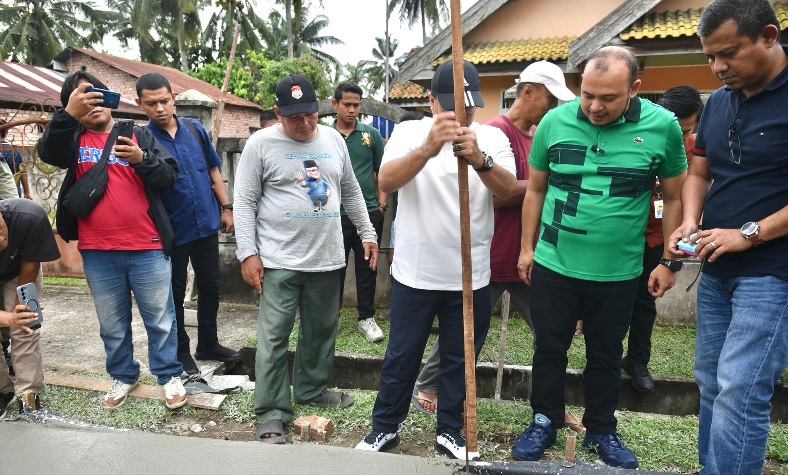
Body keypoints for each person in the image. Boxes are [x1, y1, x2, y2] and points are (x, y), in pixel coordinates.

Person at [513, 46, 687, 469]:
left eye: (608, 98)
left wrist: (670, 260)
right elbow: (535, 189)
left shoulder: (663, 126)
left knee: (607, 355)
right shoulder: (554, 122)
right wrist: (527, 247)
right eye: (588, 94)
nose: (594, 106)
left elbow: (675, 197)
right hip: (555, 263)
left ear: (634, 89)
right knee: (549, 347)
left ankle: (602, 429)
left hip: (619, 271)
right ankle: (544, 420)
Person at [355, 60, 517, 460]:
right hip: (416, 273)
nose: (462, 116)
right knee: (402, 355)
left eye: (469, 107)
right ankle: (384, 428)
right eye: (451, 107)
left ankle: (449, 431)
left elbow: (508, 188)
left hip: (470, 275)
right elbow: (386, 180)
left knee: (460, 360)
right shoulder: (410, 133)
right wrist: (429, 148)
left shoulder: (491, 137)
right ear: (431, 101)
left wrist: (480, 160)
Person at [412, 61, 576, 416]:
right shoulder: (495, 132)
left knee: (549, 332)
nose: (553, 108)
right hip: (494, 251)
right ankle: (429, 384)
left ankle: (551, 406)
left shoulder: (537, 135)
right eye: (550, 99)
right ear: (528, 92)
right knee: (469, 332)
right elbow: (493, 194)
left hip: (528, 253)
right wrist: (541, 187)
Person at [669, 1, 788, 473]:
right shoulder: (719, 100)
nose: (718, 67)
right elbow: (699, 172)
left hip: (773, 273)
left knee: (741, 387)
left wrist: (750, 234)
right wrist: (689, 220)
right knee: (712, 382)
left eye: (729, 53)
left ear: (769, 36)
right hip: (717, 268)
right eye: (710, 57)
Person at [234, 74, 379, 444]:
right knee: (273, 338)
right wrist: (247, 253)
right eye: (294, 117)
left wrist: (367, 232)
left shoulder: (333, 139)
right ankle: (272, 410)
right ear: (278, 112)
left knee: (320, 331)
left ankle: (312, 390)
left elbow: (350, 190)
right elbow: (244, 201)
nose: (304, 123)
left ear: (319, 108)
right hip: (278, 261)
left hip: (326, 259)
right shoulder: (260, 144)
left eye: (310, 114)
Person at [38, 71, 187, 411]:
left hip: (148, 245)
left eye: (97, 96)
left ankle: (168, 376)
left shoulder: (137, 134)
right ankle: (123, 374)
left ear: (110, 99)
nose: (93, 104)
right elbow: (48, 154)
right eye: (82, 100)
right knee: (112, 324)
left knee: (161, 320)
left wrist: (143, 160)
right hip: (97, 250)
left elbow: (169, 177)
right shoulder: (71, 140)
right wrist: (67, 116)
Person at [135, 73, 239, 375]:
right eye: (151, 103)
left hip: (206, 222)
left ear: (173, 98)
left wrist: (227, 209)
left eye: (164, 101)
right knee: (175, 294)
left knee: (211, 287)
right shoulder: (143, 140)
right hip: (172, 229)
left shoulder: (194, 129)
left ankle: (208, 343)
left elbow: (214, 172)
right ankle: (181, 351)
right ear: (140, 104)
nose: (159, 108)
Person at [622, 86, 703, 392]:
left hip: (661, 240)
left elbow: (694, 198)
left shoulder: (697, 151)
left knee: (646, 302)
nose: (678, 138)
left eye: (686, 131)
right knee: (613, 301)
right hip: (625, 235)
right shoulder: (640, 139)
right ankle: (606, 360)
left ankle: (637, 361)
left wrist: (676, 257)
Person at [331, 82, 387, 343]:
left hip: (369, 213)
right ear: (335, 105)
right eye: (347, 105)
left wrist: (382, 205)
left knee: (368, 268)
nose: (352, 110)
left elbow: (381, 172)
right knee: (335, 268)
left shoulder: (371, 135)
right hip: (335, 214)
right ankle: (331, 317)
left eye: (356, 105)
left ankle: (366, 317)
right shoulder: (326, 136)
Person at [0, 199, 60, 416]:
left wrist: (18, 312)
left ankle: (28, 392)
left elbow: (31, 265)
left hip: (18, 271)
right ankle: (3, 390)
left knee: (27, 325)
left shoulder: (29, 216)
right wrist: (9, 319)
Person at [0, 122, 31, 200]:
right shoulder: (15, 151)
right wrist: (27, 192)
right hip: (13, 192)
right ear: (6, 133)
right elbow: (23, 172)